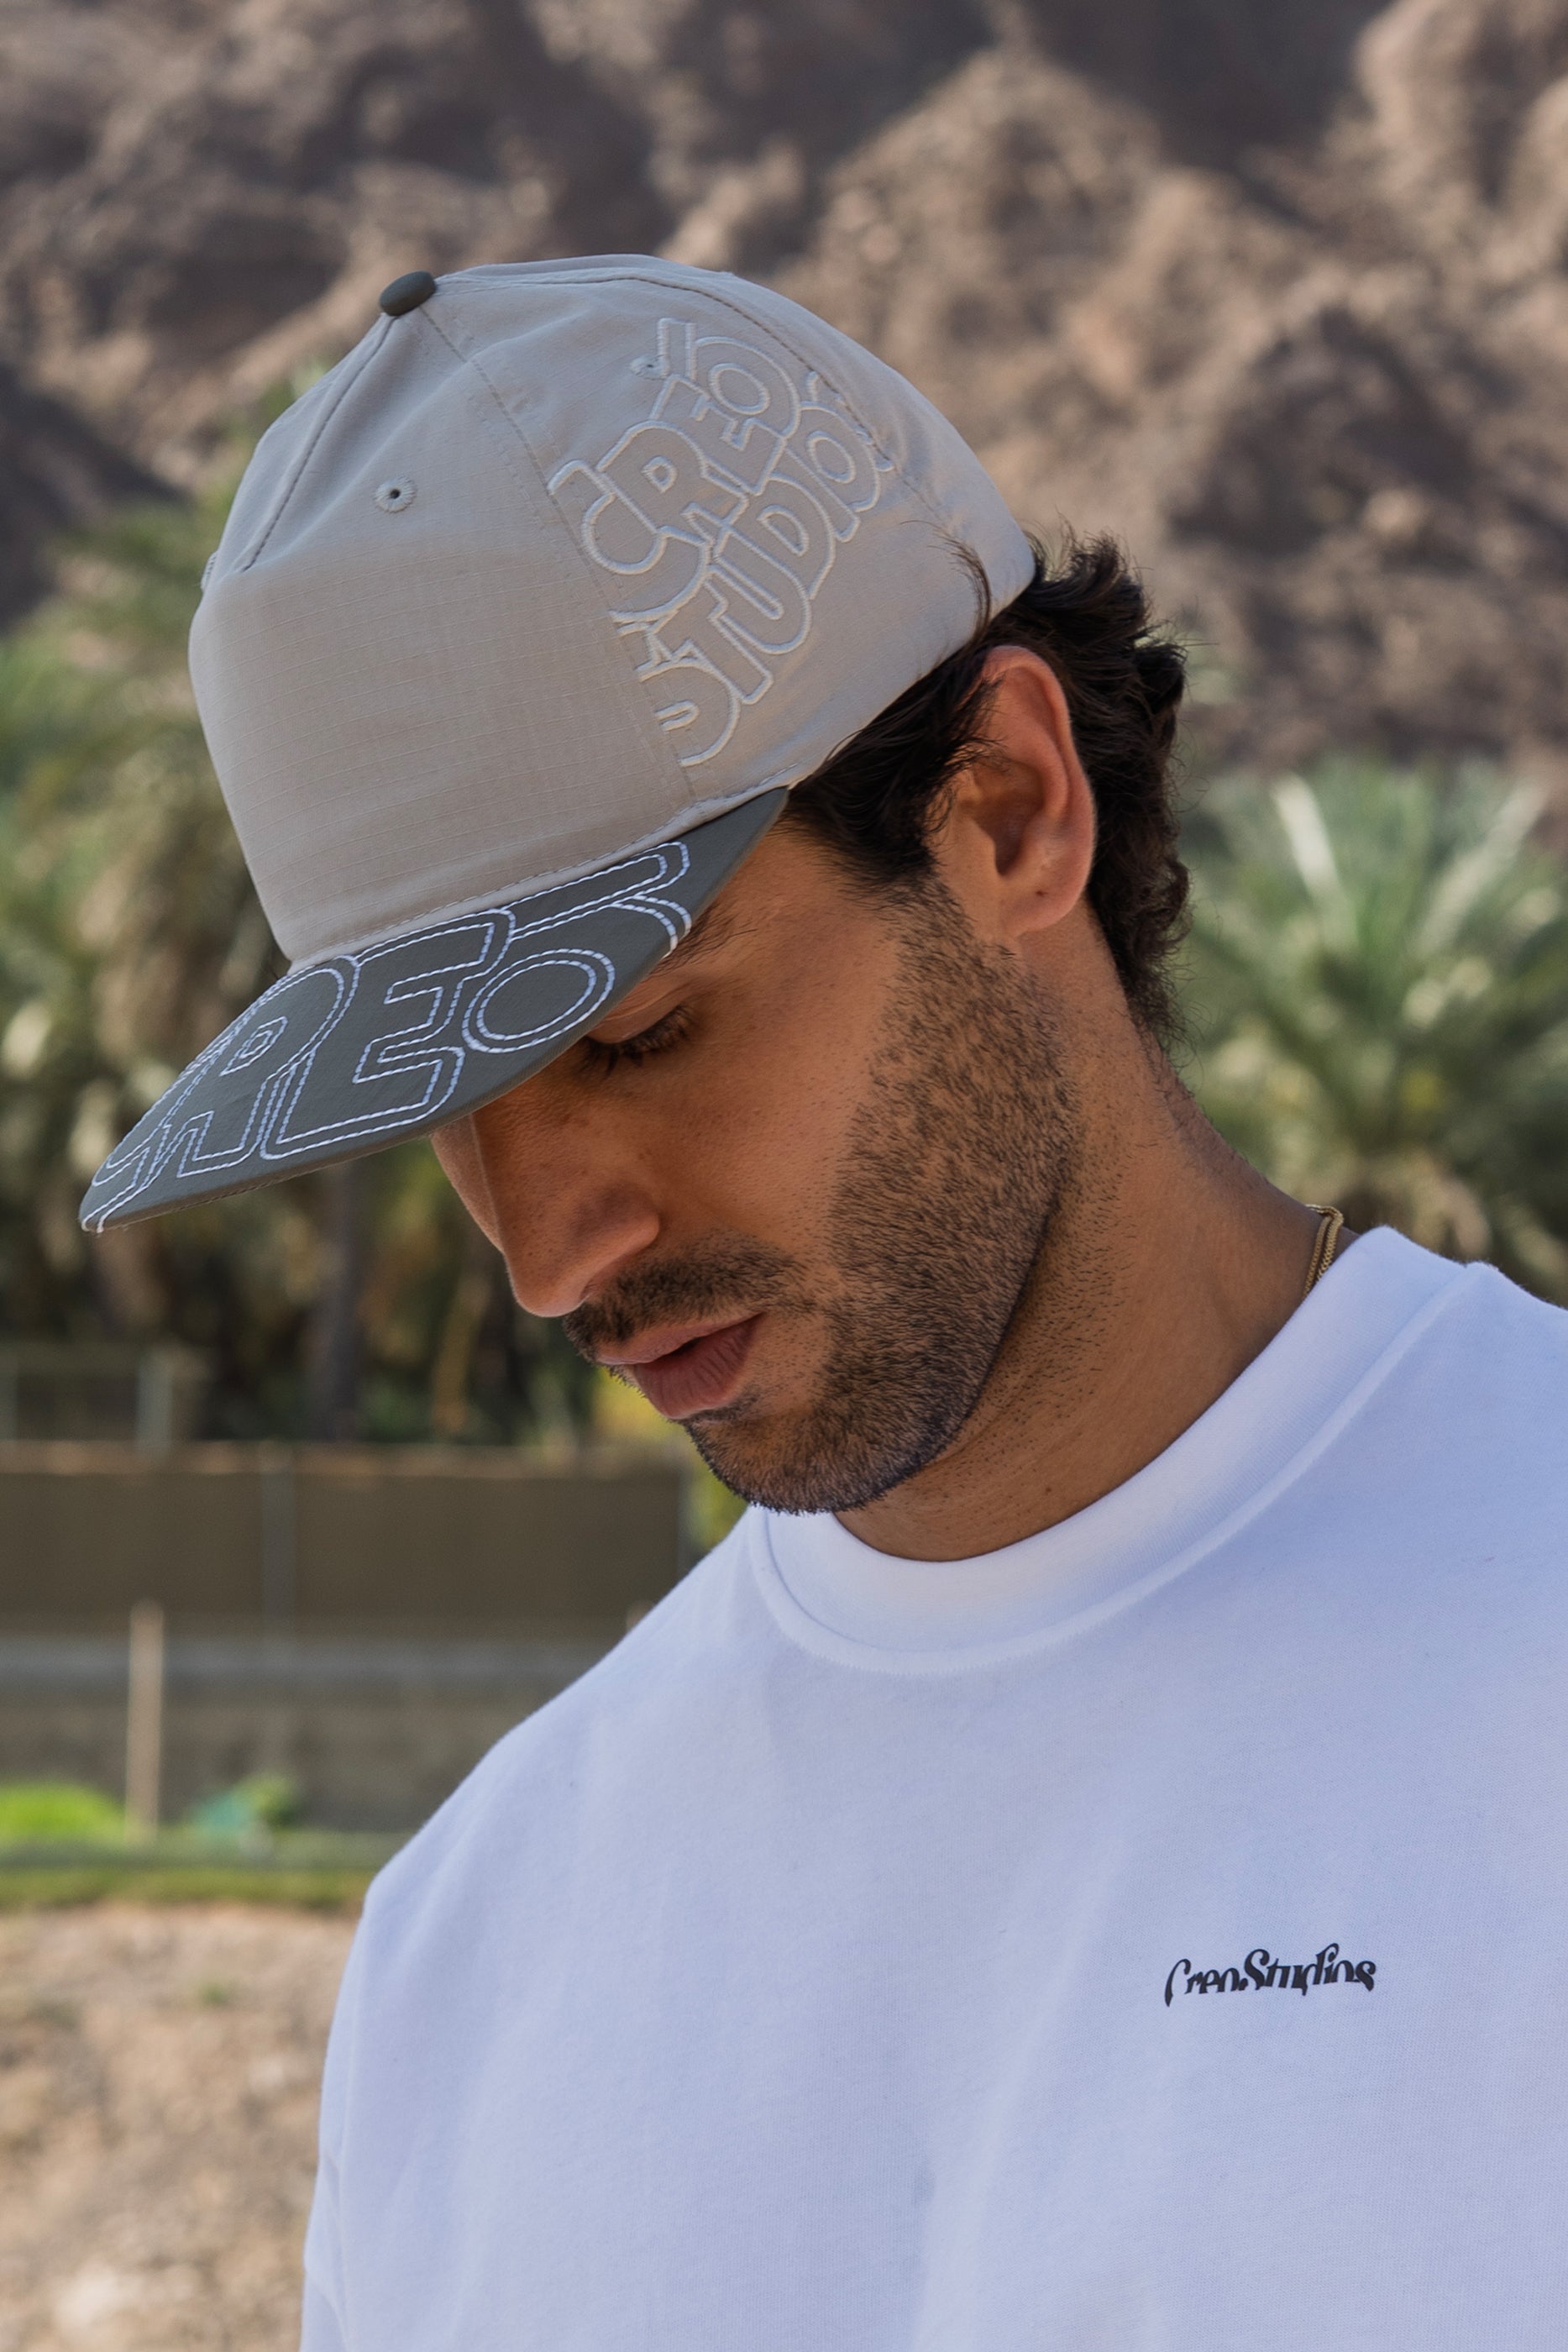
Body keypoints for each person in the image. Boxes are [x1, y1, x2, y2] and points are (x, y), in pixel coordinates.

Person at [83, 260, 1568, 2349]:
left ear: (1010, 812)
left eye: (635, 1034)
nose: (545, 1252)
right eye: (444, 1114)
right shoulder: (478, 1945)